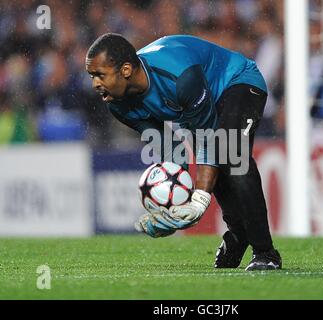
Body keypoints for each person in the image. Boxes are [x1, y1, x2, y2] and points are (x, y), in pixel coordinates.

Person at [85, 33, 282, 271]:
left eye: (99, 75)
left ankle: (265, 252)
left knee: (232, 155)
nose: (94, 83)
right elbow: (172, 148)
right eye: (92, 76)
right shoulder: (118, 105)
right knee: (217, 168)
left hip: (238, 81)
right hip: (201, 103)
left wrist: (199, 201)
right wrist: (174, 205)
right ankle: (238, 235)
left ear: (126, 70)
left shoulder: (179, 76)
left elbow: (209, 138)